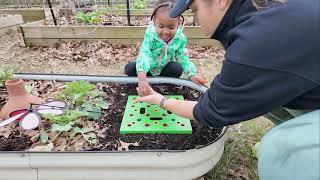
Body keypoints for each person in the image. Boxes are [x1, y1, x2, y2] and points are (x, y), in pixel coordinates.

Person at [134, 0, 320, 179]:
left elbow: (210, 110)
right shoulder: (262, 13)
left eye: (195, 10)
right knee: (260, 92)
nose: (197, 20)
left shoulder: (257, 40)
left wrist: (161, 100)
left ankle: (301, 151)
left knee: (279, 151)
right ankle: (298, 132)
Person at [124, 0, 207, 97]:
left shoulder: (179, 38)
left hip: (164, 69)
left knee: (177, 68)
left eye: (171, 27)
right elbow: (145, 53)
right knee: (130, 68)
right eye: (161, 26)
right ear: (154, 21)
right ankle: (142, 83)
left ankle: (163, 85)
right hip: (148, 70)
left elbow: (182, 57)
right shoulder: (151, 36)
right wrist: (142, 77)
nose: (166, 32)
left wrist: (191, 75)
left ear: (179, 22)